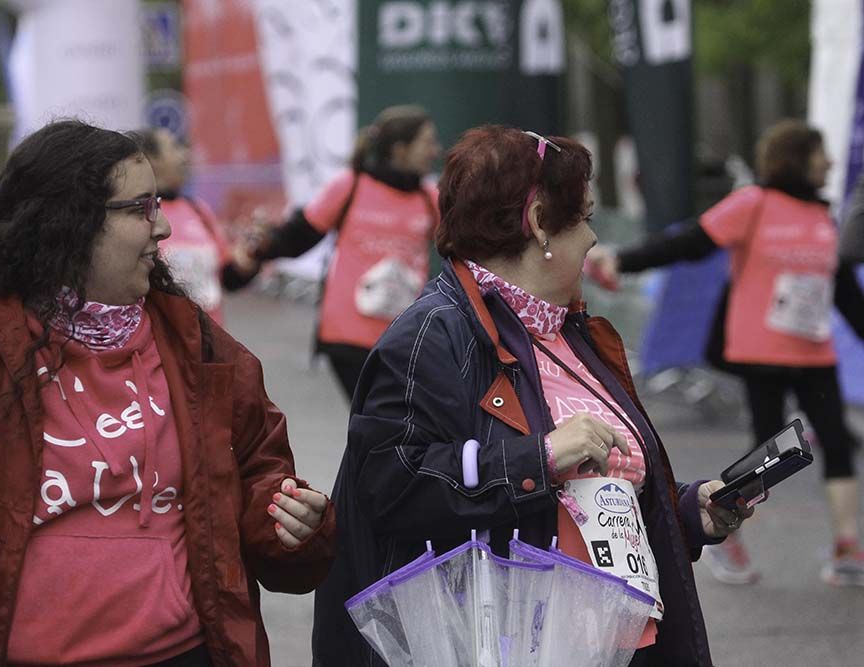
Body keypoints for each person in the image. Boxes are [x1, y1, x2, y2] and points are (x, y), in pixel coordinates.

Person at [0, 120, 336, 666]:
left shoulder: (191, 338)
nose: (162, 226)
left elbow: (260, 472)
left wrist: (291, 522)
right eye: (141, 208)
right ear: (72, 221)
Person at [312, 125, 750, 666]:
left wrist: (686, 513)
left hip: (607, 642)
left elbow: (596, 493)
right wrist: (537, 458)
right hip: (502, 643)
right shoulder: (431, 335)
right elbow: (390, 487)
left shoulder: (566, 329)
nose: (592, 238)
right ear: (541, 222)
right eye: (584, 217)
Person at [592, 119, 864, 587]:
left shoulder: (822, 216)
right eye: (822, 154)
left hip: (814, 352)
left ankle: (847, 547)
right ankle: (715, 522)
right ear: (799, 158)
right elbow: (690, 243)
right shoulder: (753, 203)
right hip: (763, 351)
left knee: (838, 445)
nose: (831, 162)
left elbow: (840, 291)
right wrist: (622, 260)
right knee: (769, 453)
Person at [250, 104, 441, 401]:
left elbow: (464, 247)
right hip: (349, 336)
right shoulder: (350, 186)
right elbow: (300, 236)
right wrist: (262, 247)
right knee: (379, 422)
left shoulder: (431, 199)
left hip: (405, 337)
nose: (435, 151)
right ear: (401, 149)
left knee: (394, 428)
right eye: (427, 143)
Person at [134, 127, 259, 324]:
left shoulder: (199, 210)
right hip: (163, 346)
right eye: (175, 147)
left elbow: (227, 277)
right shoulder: (137, 214)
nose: (186, 155)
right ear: (152, 159)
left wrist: (254, 254)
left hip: (210, 344)